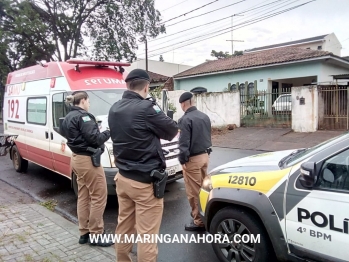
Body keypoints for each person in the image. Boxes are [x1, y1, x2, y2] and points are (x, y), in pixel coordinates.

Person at [108, 69, 178, 262]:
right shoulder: (147, 108)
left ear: (127, 85)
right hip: (145, 182)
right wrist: (154, 107)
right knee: (147, 236)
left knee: (124, 227)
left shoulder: (114, 108)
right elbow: (171, 130)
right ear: (147, 87)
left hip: (123, 178)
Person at [61, 91, 112, 247]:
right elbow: (95, 139)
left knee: (84, 196)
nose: (89, 104)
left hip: (76, 159)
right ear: (83, 100)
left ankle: (84, 233)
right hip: (88, 161)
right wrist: (108, 132)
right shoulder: (84, 116)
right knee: (99, 196)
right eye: (88, 101)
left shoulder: (68, 116)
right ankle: (97, 234)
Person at [177, 92, 212, 231]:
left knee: (194, 192)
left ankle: (199, 221)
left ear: (183, 104)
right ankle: (205, 214)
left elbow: (183, 142)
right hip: (205, 156)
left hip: (193, 160)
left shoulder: (185, 119)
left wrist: (182, 159)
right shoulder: (204, 116)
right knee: (204, 189)